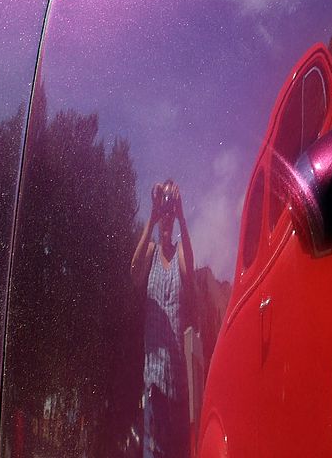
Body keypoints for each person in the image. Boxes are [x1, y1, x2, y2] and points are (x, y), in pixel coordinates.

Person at [131, 180, 194, 458]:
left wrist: (181, 217)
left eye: (171, 211)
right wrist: (152, 218)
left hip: (178, 385)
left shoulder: (179, 248)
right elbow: (134, 273)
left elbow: (189, 271)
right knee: (154, 452)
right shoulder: (152, 250)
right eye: (164, 212)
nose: (166, 219)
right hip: (155, 384)